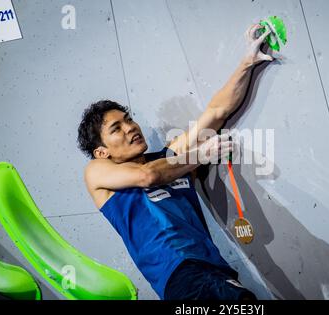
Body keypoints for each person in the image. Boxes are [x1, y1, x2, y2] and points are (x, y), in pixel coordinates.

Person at [77, 24, 274, 300]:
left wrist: (246, 63)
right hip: (181, 279)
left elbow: (217, 112)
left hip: (217, 270)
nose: (131, 128)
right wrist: (200, 156)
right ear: (101, 151)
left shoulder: (170, 157)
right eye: (116, 129)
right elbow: (148, 177)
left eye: (129, 120)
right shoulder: (97, 173)